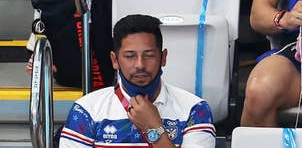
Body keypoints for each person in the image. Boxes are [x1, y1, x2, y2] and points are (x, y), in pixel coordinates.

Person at [60, 14, 215, 147]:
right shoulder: (87, 110)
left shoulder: (194, 109)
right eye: (130, 56)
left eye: (149, 55)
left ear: (163, 58)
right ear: (114, 60)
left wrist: (154, 128)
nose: (140, 64)